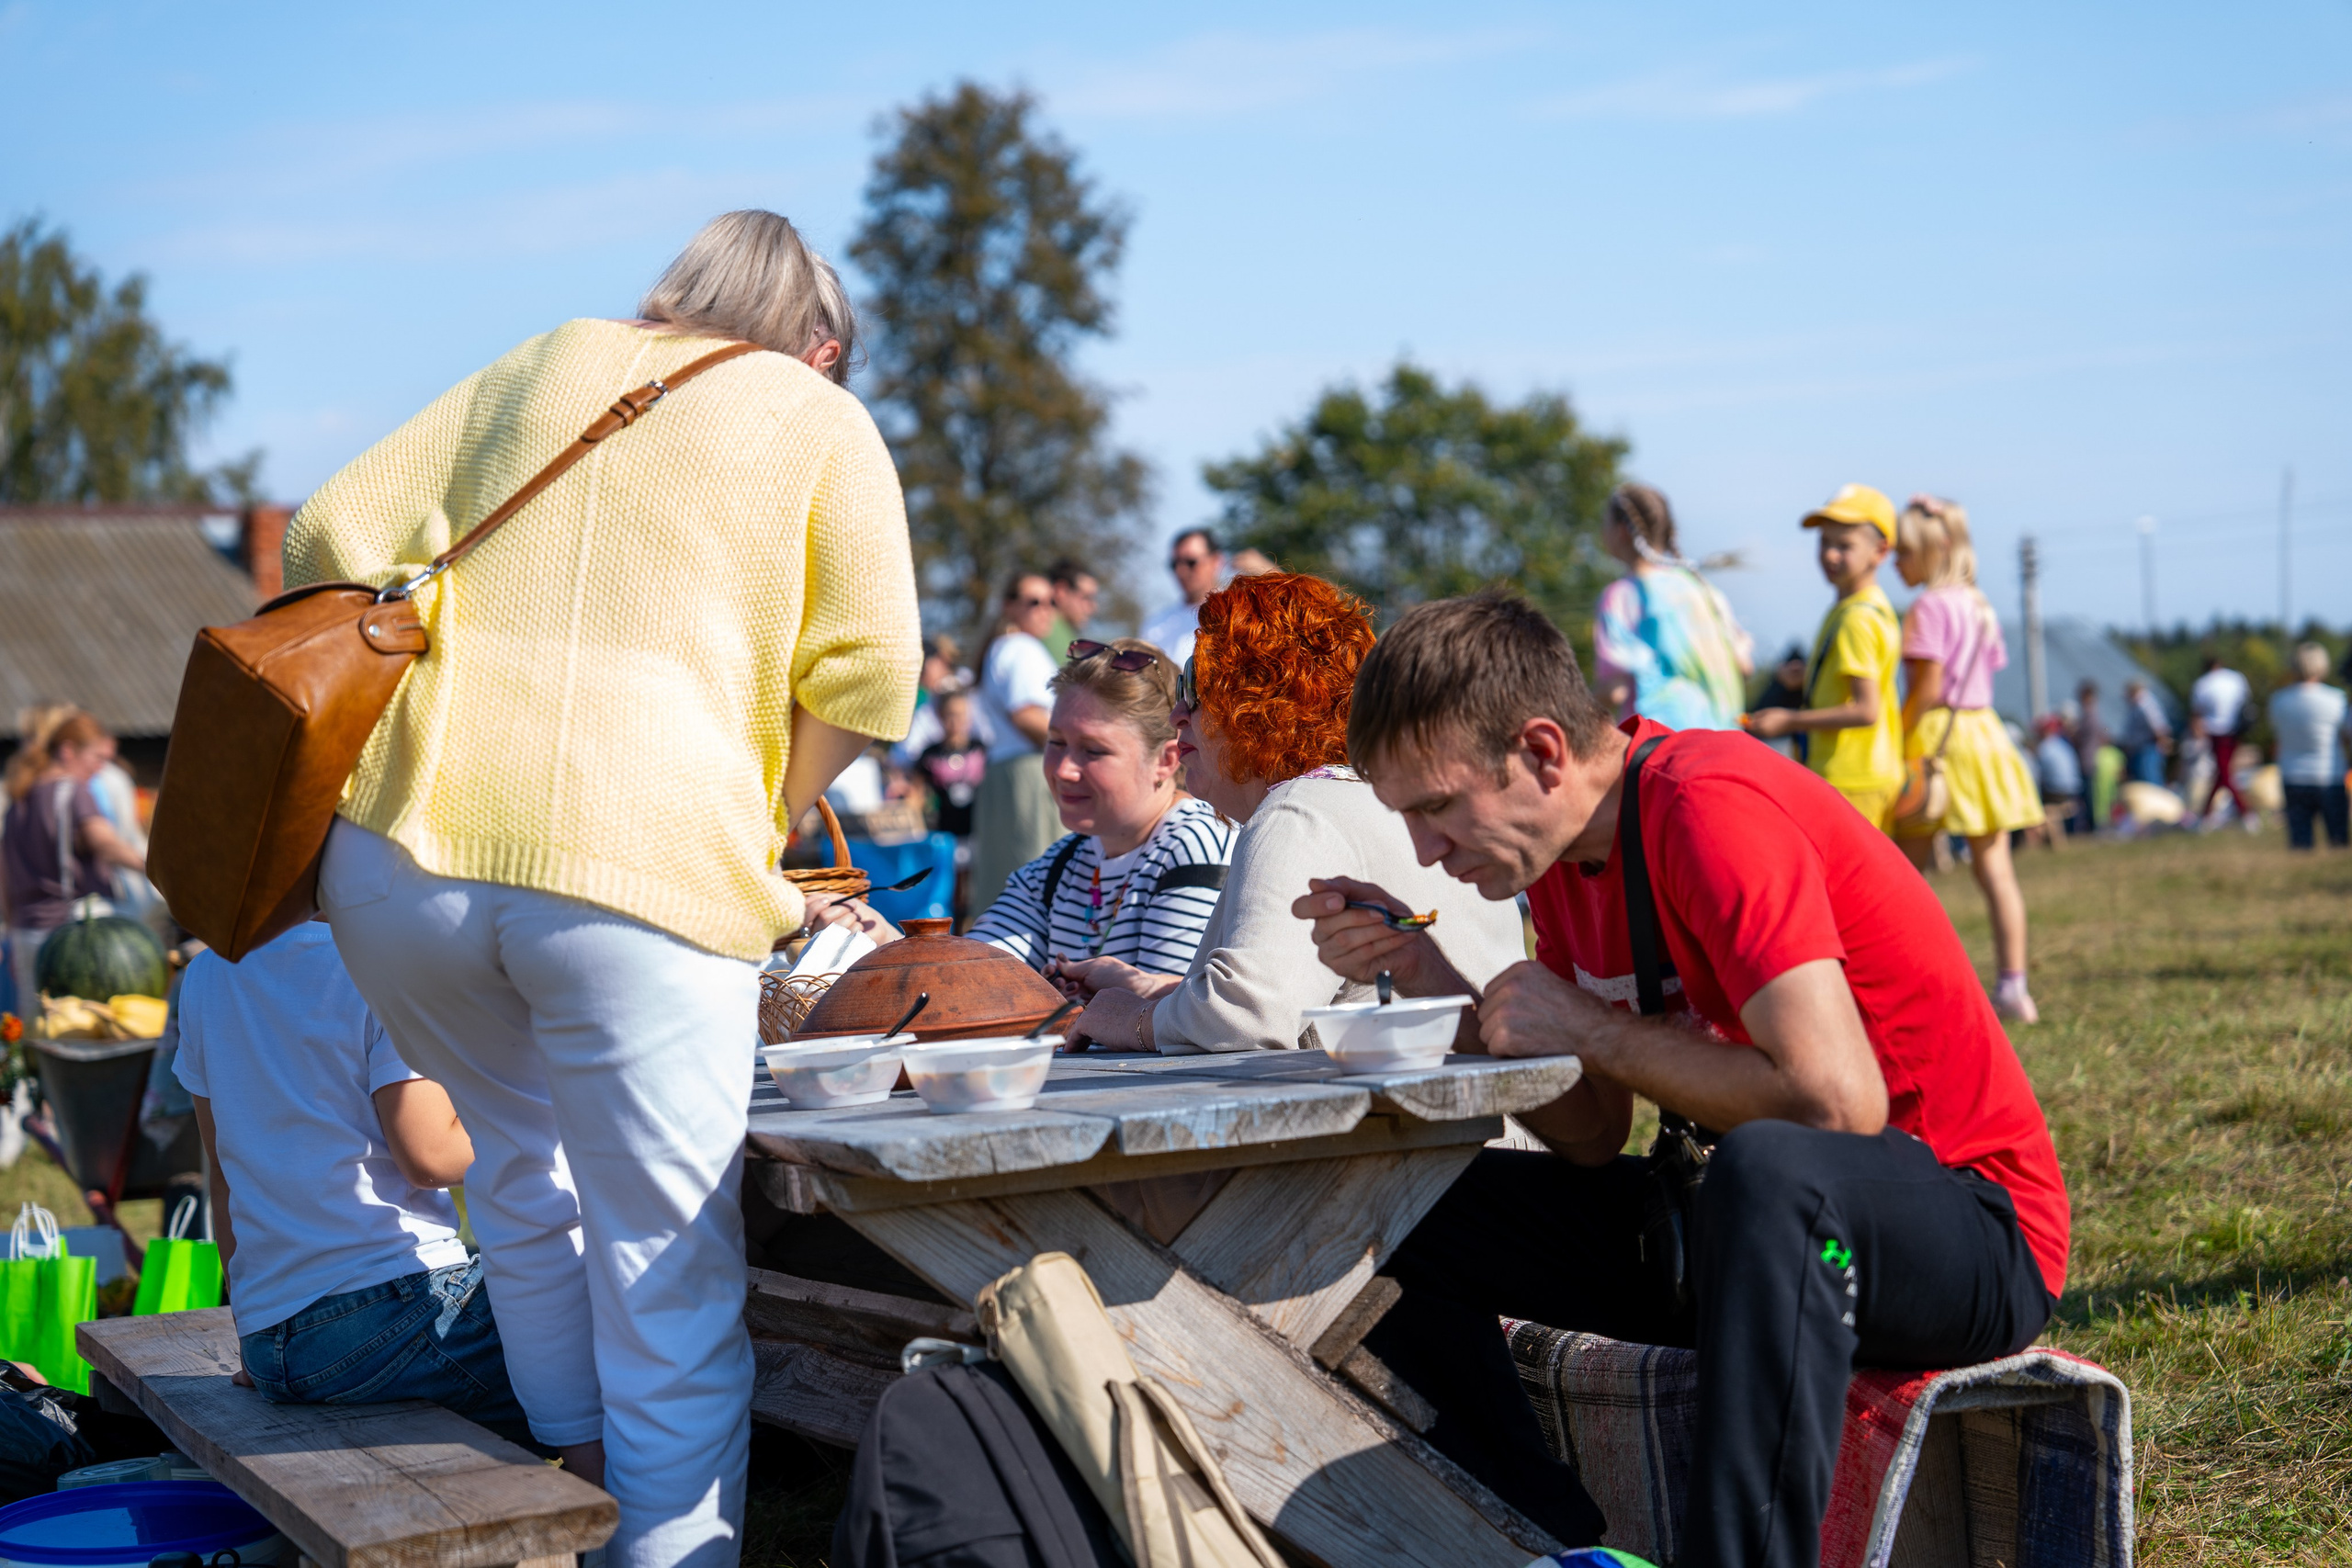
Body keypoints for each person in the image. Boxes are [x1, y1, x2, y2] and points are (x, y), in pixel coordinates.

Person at [286, 209, 920, 1565]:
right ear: (820, 343)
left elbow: (327, 529)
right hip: (643, 864)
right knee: (665, 1260)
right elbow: (875, 671)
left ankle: (574, 1482)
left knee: (523, 1180)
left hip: (405, 857)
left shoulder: (547, 357)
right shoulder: (819, 416)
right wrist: (761, 810)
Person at [1297, 589, 2068, 1567]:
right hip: (1754, 1231)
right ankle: (1550, 1544)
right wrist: (1439, 986)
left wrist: (1589, 1026)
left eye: (1437, 807)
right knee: (1411, 1204)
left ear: (1542, 752)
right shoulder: (1559, 861)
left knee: (1771, 1174)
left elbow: (1837, 1104)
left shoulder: (1707, 805)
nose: (1424, 849)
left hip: (1973, 1231)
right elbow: (1589, 1135)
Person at [1064, 573, 1521, 1054]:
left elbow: (1248, 1016)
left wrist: (1133, 1020)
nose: (1178, 712)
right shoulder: (1388, 802)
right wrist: (1164, 994)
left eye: (1196, 684)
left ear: (1259, 703)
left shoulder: (1299, 813)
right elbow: (1290, 993)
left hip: (1430, 1103)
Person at [175, 919, 536, 1448]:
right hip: (395, 1312)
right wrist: (560, 1126)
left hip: (275, 1346)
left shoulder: (207, 972)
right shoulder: (385, 958)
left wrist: (253, 1325)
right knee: (608, 1326)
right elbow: (431, 1155)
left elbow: (223, 1170)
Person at [810, 638, 1234, 980]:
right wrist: (880, 936)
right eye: (1055, 743)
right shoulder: (1061, 864)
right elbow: (970, 977)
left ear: (1166, 760)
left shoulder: (1197, 846)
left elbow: (1162, 1021)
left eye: (1093, 750)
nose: (1064, 769)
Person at [1890, 496, 2046, 1023]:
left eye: (1904, 551)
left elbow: (1928, 686)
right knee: (1996, 870)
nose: (1896, 562)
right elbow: (1992, 663)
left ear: (1934, 549)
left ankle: (1902, 982)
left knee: (1902, 872)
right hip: (1984, 731)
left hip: (1937, 739)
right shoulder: (1979, 604)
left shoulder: (1927, 608)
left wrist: (1898, 734)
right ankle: (2014, 986)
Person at [1745, 485, 1904, 831]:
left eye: (1844, 546)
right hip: (1866, 771)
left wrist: (1790, 721)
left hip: (1851, 776)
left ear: (1880, 551)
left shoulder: (1855, 619)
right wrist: (1811, 676)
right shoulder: (1867, 607)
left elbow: (1866, 710)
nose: (1830, 555)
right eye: (1824, 543)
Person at [2, 710, 147, 1010]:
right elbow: (103, 842)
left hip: (27, 931)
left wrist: (13, 929)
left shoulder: (20, 796)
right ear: (68, 751)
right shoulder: (73, 790)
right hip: (71, 933)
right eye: (97, 758)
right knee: (79, 1027)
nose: (100, 768)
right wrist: (154, 868)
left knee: (34, 1028)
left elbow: (4, 873)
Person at [1590, 482, 1753, 730]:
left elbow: (1615, 691)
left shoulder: (1621, 597)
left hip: (1662, 742)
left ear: (1621, 531)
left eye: (1605, 524)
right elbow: (1745, 666)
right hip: (1725, 738)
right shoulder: (1701, 588)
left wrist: (1571, 712)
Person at [970, 572, 1067, 913]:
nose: (1045, 610)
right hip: (1027, 773)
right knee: (1036, 880)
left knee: (1006, 881)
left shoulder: (1005, 648)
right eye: (1034, 602)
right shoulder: (1021, 648)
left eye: (1051, 601)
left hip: (1007, 773)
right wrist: (1077, 746)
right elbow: (1026, 715)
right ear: (1009, 606)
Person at [2268, 642, 2350, 850]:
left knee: (2301, 846)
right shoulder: (2336, 699)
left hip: (2292, 775)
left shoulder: (2278, 700)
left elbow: (2278, 736)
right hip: (2329, 774)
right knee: (2338, 843)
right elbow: (2346, 737)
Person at [1138, 528, 1227, 665]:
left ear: (1216, 561)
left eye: (1191, 562)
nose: (1181, 571)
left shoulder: (1236, 616)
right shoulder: (1155, 625)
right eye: (1174, 564)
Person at [2191, 656, 2256, 829]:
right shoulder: (2236, 678)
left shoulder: (2202, 683)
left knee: (2225, 774)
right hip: (2235, 731)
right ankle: (2206, 815)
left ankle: (2246, 813)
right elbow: (2246, 701)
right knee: (2223, 773)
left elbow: (2197, 711)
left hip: (2216, 732)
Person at [914, 688, 987, 840]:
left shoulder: (981, 750)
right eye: (950, 715)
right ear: (940, 715)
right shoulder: (930, 755)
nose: (955, 721)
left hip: (979, 833)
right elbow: (917, 795)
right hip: (943, 835)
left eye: (960, 715)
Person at [1746, 646, 1810, 761]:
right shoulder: (1772, 691)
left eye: (1798, 669)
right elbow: (1752, 718)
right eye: (1790, 667)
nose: (1794, 669)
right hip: (1769, 747)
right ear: (1780, 669)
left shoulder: (1812, 693)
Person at [2034, 715, 2085, 841]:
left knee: (2044, 808)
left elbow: (2039, 775)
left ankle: (2052, 839)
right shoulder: (2064, 745)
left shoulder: (2044, 747)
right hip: (2073, 789)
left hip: (2056, 790)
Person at [2118, 679, 2174, 787]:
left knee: (2149, 782)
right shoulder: (2138, 705)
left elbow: (2159, 727)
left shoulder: (2144, 704)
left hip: (2147, 749)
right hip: (2139, 750)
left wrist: (2162, 744)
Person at [1043, 558, 1099, 660]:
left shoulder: (1065, 636)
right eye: (1086, 597)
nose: (1093, 607)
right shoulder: (1046, 631)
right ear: (1061, 591)